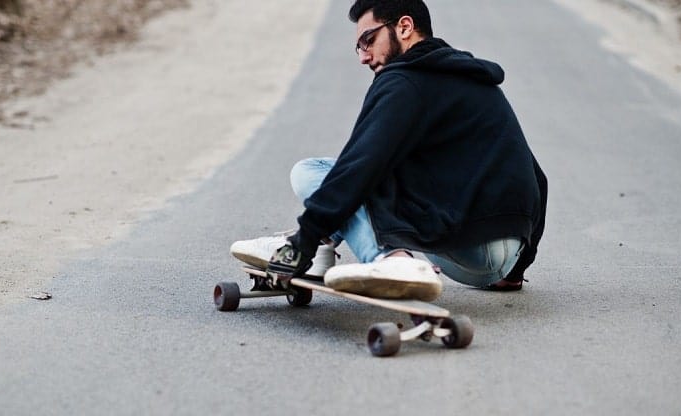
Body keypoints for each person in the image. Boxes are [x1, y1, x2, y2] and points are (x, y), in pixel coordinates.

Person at [230, 0, 547, 300]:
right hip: (507, 254)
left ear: (405, 27)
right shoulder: (477, 81)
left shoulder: (402, 82)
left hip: (471, 251)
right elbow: (536, 177)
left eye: (368, 40)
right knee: (374, 171)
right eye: (359, 46)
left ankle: (392, 259)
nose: (363, 57)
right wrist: (516, 269)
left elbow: (359, 168)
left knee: (313, 171)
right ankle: (326, 247)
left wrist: (303, 242)